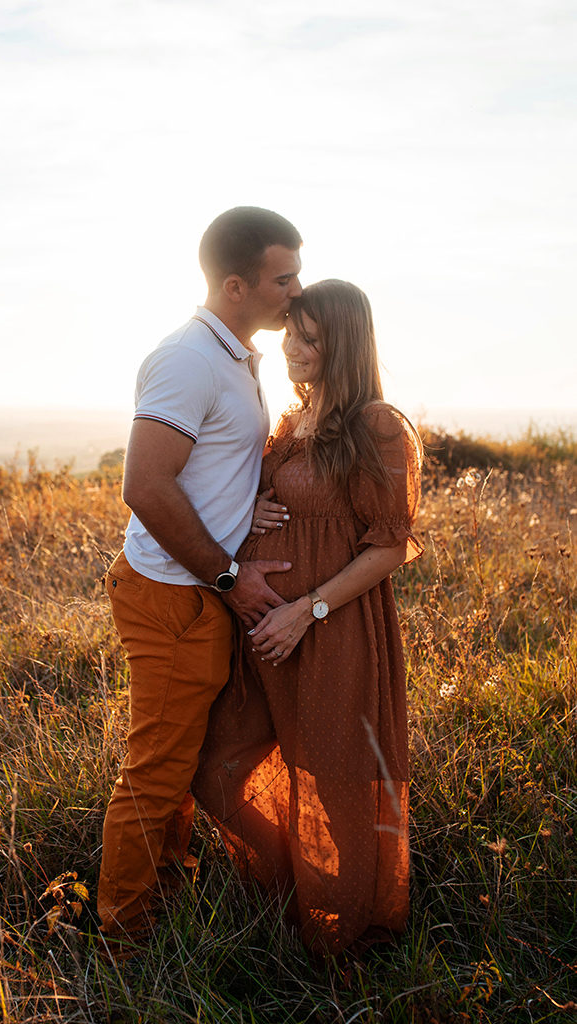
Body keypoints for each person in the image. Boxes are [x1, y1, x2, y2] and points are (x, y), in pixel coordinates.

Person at [194, 279, 423, 956]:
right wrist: (251, 515)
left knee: (335, 780)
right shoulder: (291, 421)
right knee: (217, 767)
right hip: (265, 631)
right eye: (292, 331)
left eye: (312, 339)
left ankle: (341, 939)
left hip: (332, 630)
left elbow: (389, 547)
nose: (293, 347)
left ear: (344, 346)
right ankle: (300, 879)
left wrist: (308, 609)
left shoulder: (376, 425)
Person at [97, 207, 303, 944]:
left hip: (198, 590)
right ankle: (126, 939)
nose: (297, 290)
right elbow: (146, 485)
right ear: (236, 284)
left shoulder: (237, 357)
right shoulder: (189, 358)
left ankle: (168, 894)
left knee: (184, 761)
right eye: (285, 278)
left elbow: (210, 470)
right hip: (175, 594)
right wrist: (229, 576)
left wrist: (253, 511)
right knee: (156, 768)